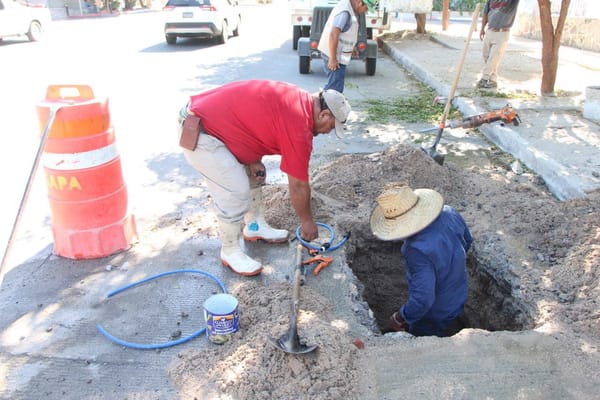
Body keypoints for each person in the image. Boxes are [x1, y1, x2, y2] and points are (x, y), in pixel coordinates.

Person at [177, 80, 351, 277]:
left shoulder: (299, 101)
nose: (328, 132)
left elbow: (254, 119)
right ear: (324, 114)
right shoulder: (299, 126)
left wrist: (253, 158)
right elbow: (298, 185)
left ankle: (254, 226)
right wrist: (307, 222)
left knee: (255, 175)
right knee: (235, 190)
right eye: (331, 126)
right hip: (201, 131)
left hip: (217, 127)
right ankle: (230, 250)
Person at [369, 184, 473, 337]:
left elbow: (423, 299)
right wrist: (447, 266)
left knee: (425, 340)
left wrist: (400, 317)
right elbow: (467, 241)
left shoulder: (416, 250)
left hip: (434, 313)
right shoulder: (450, 213)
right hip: (458, 293)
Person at [317, 0, 377, 93]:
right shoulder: (345, 12)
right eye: (366, 8)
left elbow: (346, 31)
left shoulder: (350, 7)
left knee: (335, 85)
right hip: (333, 54)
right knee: (334, 89)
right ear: (360, 3)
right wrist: (332, 58)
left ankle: (326, 103)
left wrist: (352, 46)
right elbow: (333, 34)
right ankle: (326, 105)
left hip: (337, 53)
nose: (366, 11)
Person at [477, 0, 520, 90]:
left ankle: (484, 78)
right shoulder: (490, 1)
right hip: (490, 30)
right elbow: (485, 14)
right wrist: (482, 29)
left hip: (502, 32)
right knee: (487, 56)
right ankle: (493, 80)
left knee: (494, 57)